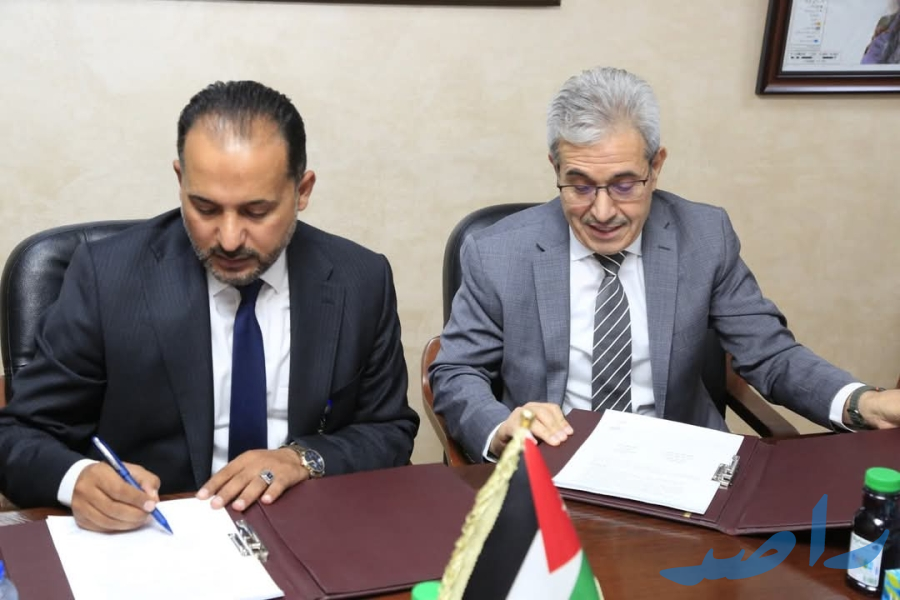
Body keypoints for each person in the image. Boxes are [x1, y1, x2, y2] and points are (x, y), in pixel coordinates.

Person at [0, 80, 419, 531]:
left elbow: (388, 430)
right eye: (205, 208)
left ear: (302, 190)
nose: (229, 239)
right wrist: (77, 479)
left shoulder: (360, 279)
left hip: (309, 532)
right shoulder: (107, 277)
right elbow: (18, 435)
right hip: (156, 534)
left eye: (256, 211)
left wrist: (303, 459)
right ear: (180, 180)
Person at [430, 66, 900, 462]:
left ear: (656, 167)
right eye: (580, 185)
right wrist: (501, 428)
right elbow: (456, 373)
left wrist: (863, 403)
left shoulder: (705, 237)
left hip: (681, 463)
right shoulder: (497, 252)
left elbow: (770, 355)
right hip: (552, 463)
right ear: (555, 168)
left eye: (624, 184)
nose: (602, 212)